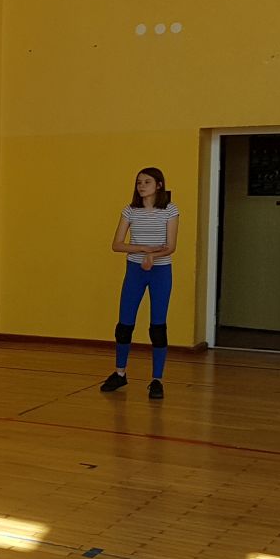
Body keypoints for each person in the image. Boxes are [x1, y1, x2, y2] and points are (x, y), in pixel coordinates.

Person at [100, 167, 180, 400]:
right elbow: (117, 244)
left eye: (147, 182)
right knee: (125, 324)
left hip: (160, 272)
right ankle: (120, 373)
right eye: (138, 182)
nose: (141, 186)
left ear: (159, 185)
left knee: (157, 326)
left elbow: (171, 246)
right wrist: (144, 250)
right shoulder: (130, 210)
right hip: (135, 270)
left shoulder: (170, 210)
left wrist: (153, 257)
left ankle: (157, 380)